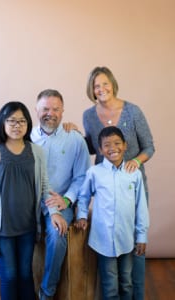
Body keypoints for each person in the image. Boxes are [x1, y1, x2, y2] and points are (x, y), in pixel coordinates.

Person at [0, 101, 67, 300]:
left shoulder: (36, 152)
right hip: (2, 228)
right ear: (2, 123)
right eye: (11, 121)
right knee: (9, 276)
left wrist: (55, 212)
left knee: (25, 275)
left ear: (28, 124)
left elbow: (44, 186)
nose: (17, 125)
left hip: (27, 226)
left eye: (22, 121)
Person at [83, 66, 155, 300]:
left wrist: (134, 161)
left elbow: (149, 147)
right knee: (111, 259)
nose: (101, 89)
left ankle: (137, 296)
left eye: (105, 83)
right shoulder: (88, 115)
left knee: (135, 247)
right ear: (91, 91)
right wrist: (73, 134)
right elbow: (94, 146)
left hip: (131, 183)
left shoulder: (133, 111)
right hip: (106, 186)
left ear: (113, 84)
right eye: (96, 86)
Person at [75, 126, 149, 300]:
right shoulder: (94, 172)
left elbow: (141, 207)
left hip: (127, 240)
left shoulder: (134, 174)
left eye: (117, 143)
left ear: (125, 145)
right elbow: (83, 196)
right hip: (103, 240)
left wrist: (141, 236)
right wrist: (82, 215)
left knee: (126, 282)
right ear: (100, 149)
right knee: (109, 285)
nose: (112, 148)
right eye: (106, 145)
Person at [31, 89, 91, 300]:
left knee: (57, 236)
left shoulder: (74, 139)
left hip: (62, 203)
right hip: (30, 204)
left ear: (63, 111)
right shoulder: (25, 139)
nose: (51, 113)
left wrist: (67, 199)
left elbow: (82, 177)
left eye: (56, 109)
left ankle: (46, 292)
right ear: (36, 110)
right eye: (45, 108)